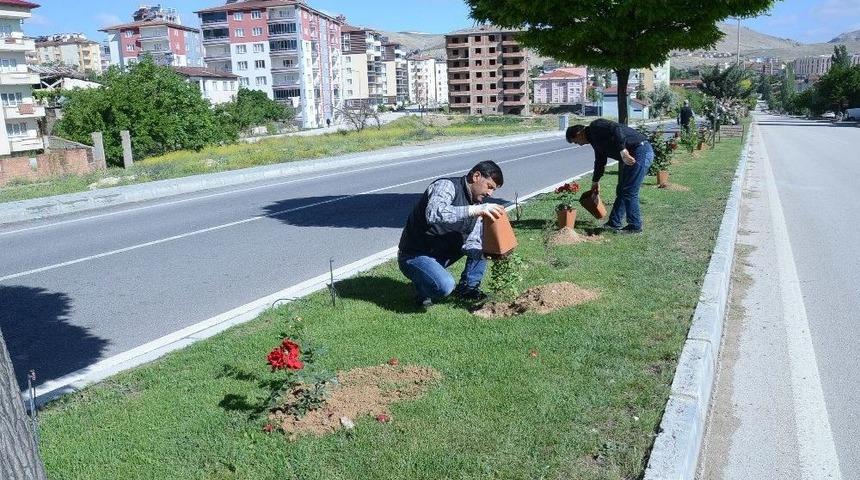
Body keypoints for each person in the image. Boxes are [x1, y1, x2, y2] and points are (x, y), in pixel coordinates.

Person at [398, 161, 506, 309]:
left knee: (484, 244)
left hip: (442, 255)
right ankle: (422, 287)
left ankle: (468, 288)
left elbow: (470, 243)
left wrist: (487, 254)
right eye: (489, 186)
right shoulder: (446, 186)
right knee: (445, 286)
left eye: (494, 190)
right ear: (476, 176)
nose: (490, 193)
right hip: (415, 255)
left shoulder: (476, 205)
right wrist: (474, 210)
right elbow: (434, 213)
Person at [566, 119, 654, 234]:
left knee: (630, 191)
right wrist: (595, 181)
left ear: (579, 134)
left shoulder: (595, 126)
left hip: (640, 150)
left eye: (576, 142)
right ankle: (614, 223)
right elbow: (600, 161)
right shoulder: (595, 141)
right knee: (622, 190)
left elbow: (616, 128)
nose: (580, 144)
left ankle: (635, 226)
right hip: (632, 155)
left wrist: (623, 151)